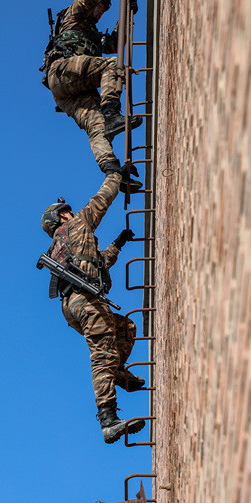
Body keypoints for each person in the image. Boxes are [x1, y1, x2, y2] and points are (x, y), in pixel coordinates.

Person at [40, 168, 146, 444]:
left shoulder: (65, 245)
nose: (72, 212)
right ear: (62, 215)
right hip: (84, 301)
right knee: (102, 354)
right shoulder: (75, 227)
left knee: (125, 327)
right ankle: (108, 420)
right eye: (68, 210)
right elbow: (102, 200)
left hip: (76, 305)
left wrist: (119, 244)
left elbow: (98, 263)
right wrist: (115, 176)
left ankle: (117, 372)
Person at [41, 0, 141, 190]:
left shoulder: (93, 35)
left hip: (70, 92)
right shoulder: (74, 16)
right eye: (100, 7)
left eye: (104, 9)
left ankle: (114, 173)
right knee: (111, 65)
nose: (100, 12)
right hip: (62, 71)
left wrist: (128, 17)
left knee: (97, 126)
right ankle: (111, 111)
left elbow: (116, 43)